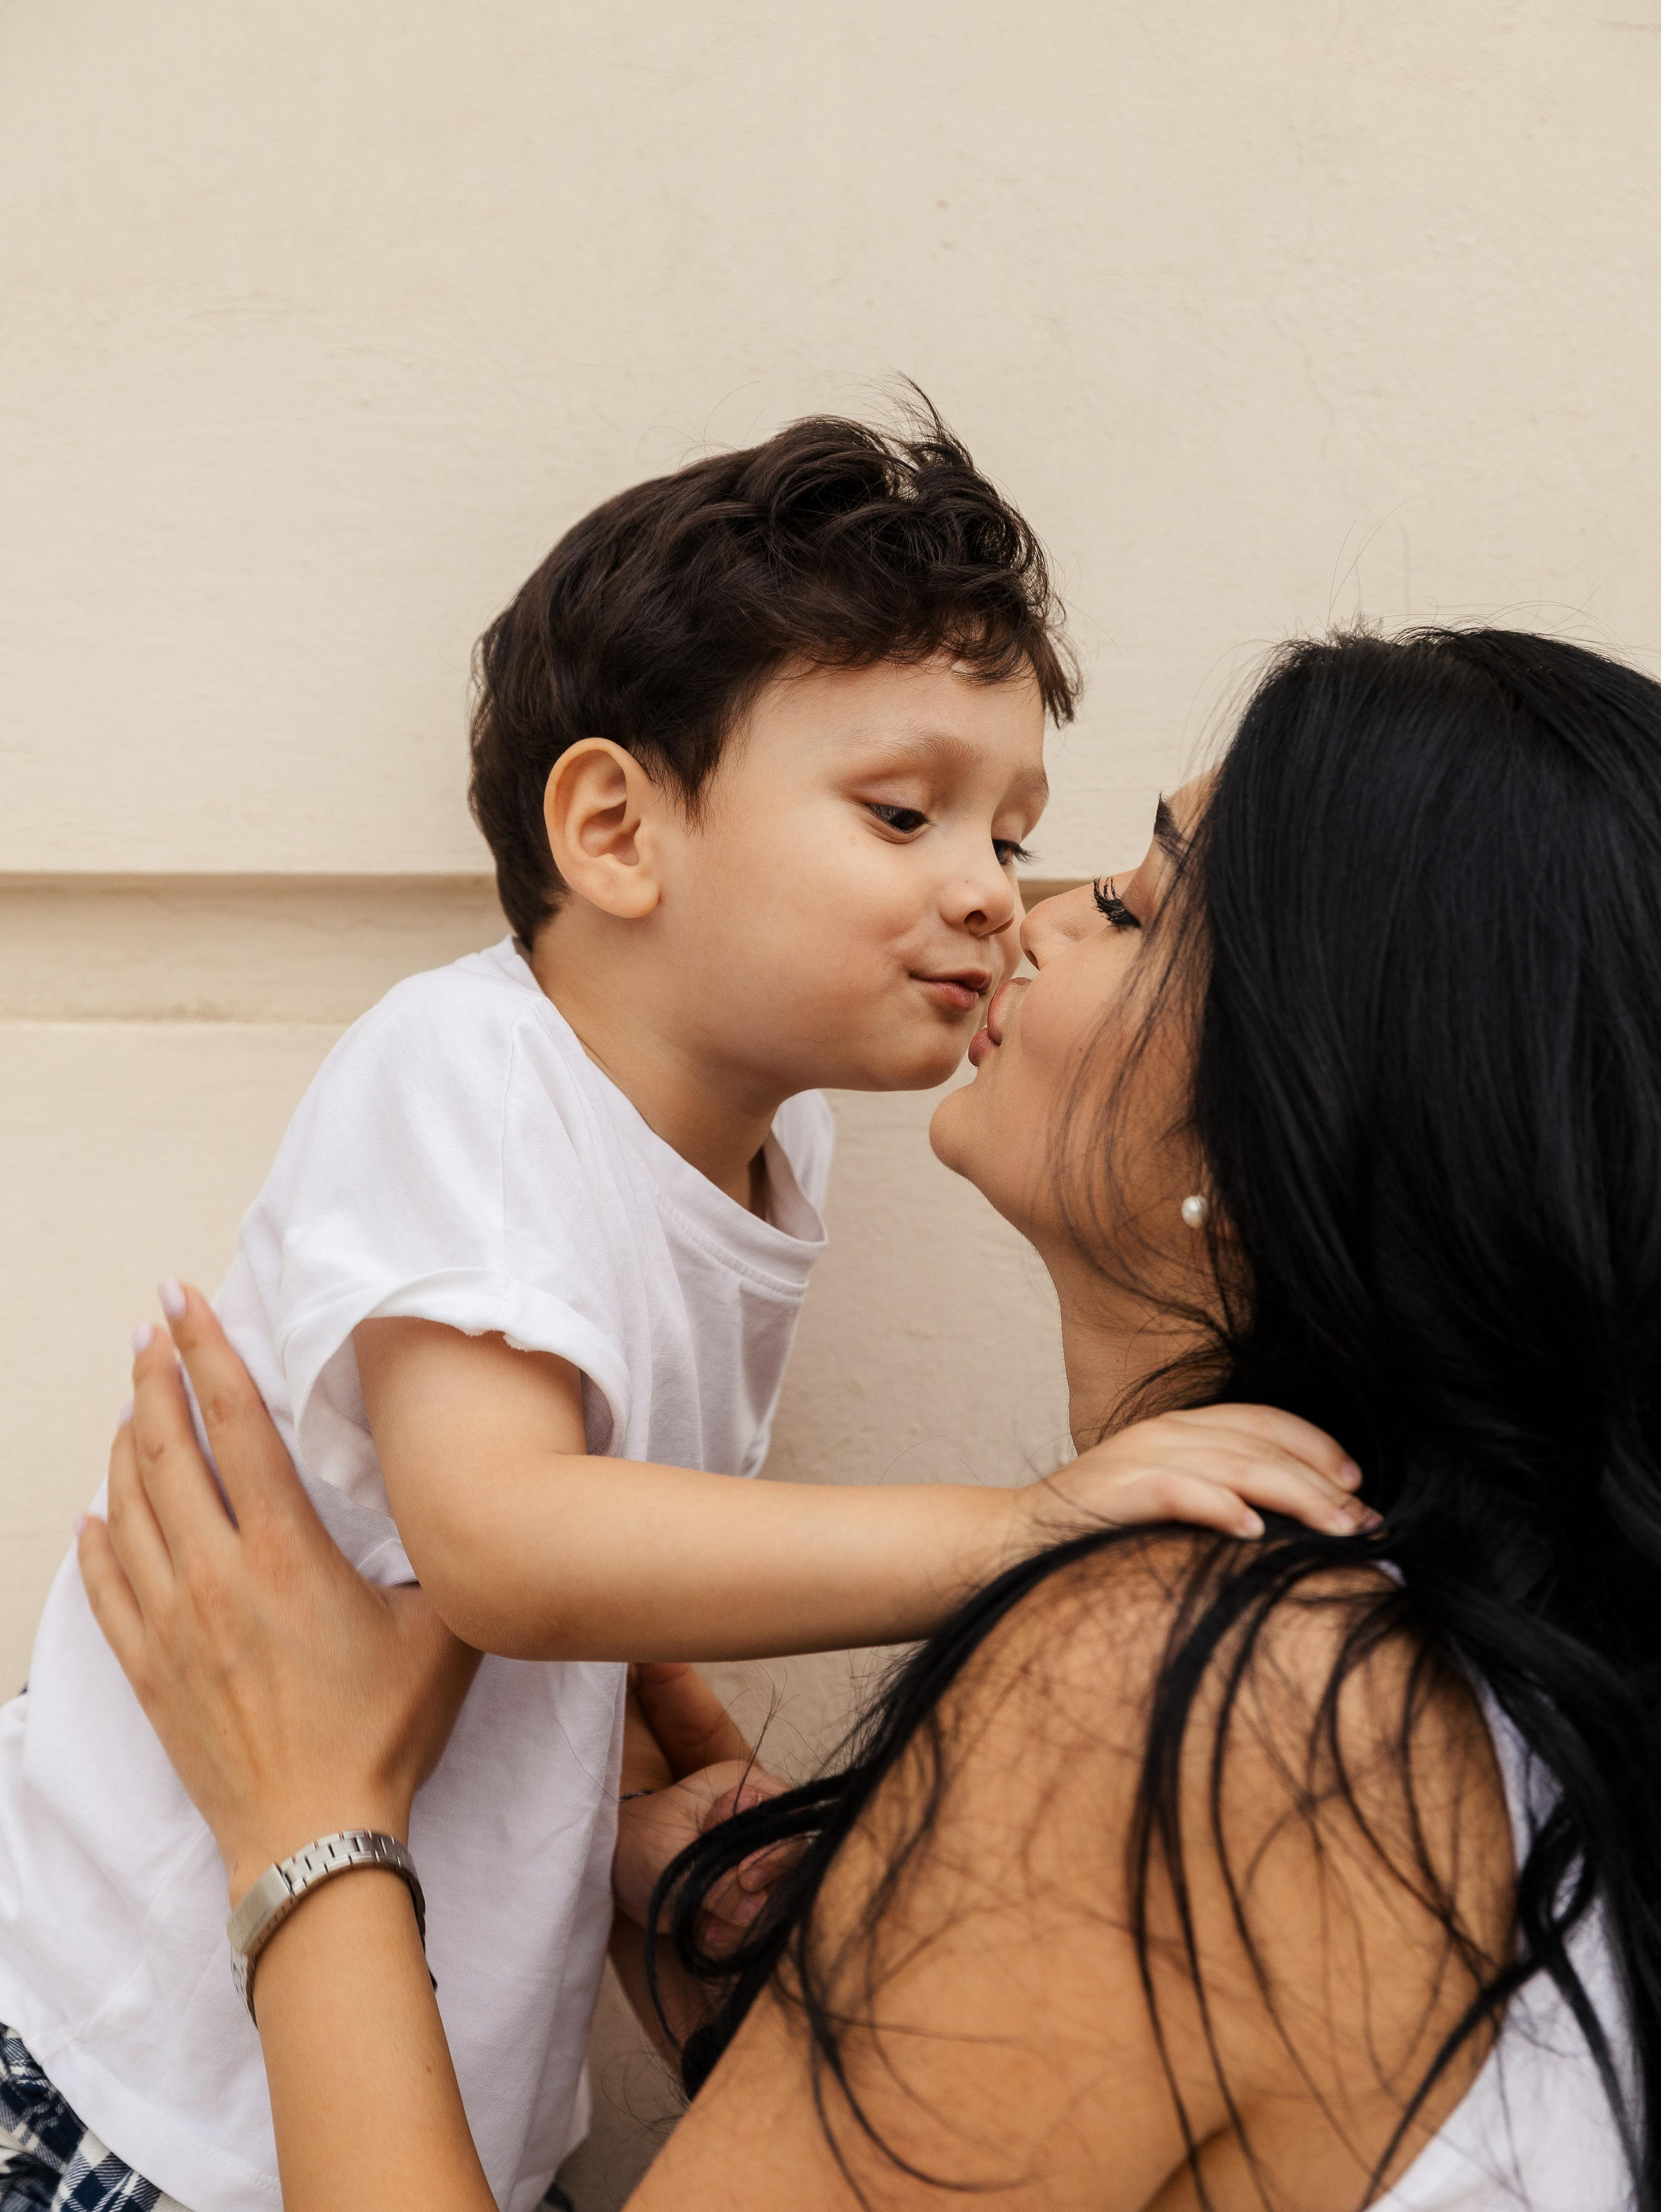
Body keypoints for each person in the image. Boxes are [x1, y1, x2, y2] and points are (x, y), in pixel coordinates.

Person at [65, 619, 1661, 2210]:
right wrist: (836, 1987)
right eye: (904, 817)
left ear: (1316, 1106)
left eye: (1130, 902)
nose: (1025, 911)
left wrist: (312, 1830)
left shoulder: (1223, 1701)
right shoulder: (1457, 1705)